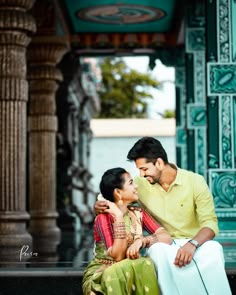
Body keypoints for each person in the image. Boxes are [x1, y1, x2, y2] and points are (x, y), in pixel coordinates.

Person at [95, 137, 232, 295]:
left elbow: (210, 224)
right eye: (139, 170)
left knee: (214, 249)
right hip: (163, 244)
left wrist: (192, 244)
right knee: (157, 252)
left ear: (159, 163)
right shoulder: (140, 184)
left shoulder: (195, 181)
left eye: (144, 169)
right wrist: (99, 205)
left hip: (194, 243)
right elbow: (116, 195)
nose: (141, 174)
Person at [83, 167, 172, 295]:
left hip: (129, 268)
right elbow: (118, 256)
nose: (136, 186)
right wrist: (118, 217)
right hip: (103, 273)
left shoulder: (138, 213)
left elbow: (166, 237)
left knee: (146, 263)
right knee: (114, 273)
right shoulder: (103, 218)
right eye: (131, 183)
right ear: (118, 192)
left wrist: (142, 241)